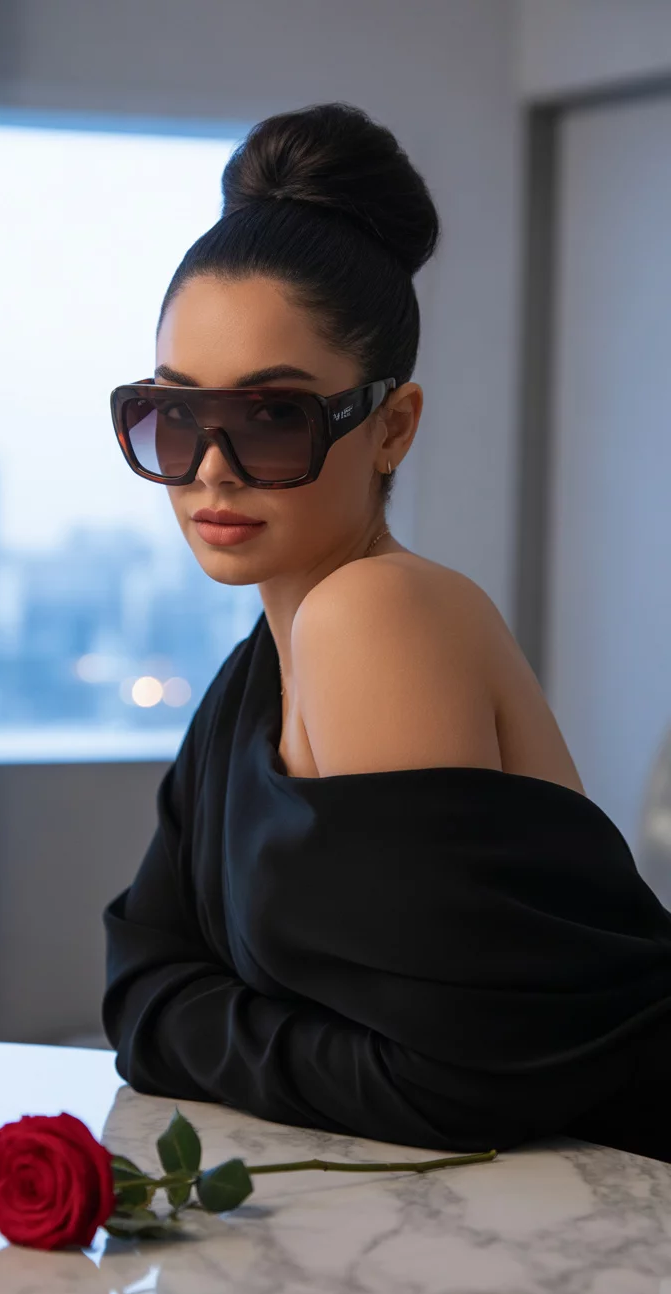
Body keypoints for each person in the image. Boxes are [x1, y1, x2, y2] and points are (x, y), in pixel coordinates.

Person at [102, 102, 671, 1163]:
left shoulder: (375, 614)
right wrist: (188, 1019)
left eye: (272, 417)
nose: (210, 468)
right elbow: (136, 982)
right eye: (174, 416)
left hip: (615, 1219)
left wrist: (192, 1023)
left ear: (392, 425)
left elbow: (448, 1079)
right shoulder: (252, 676)